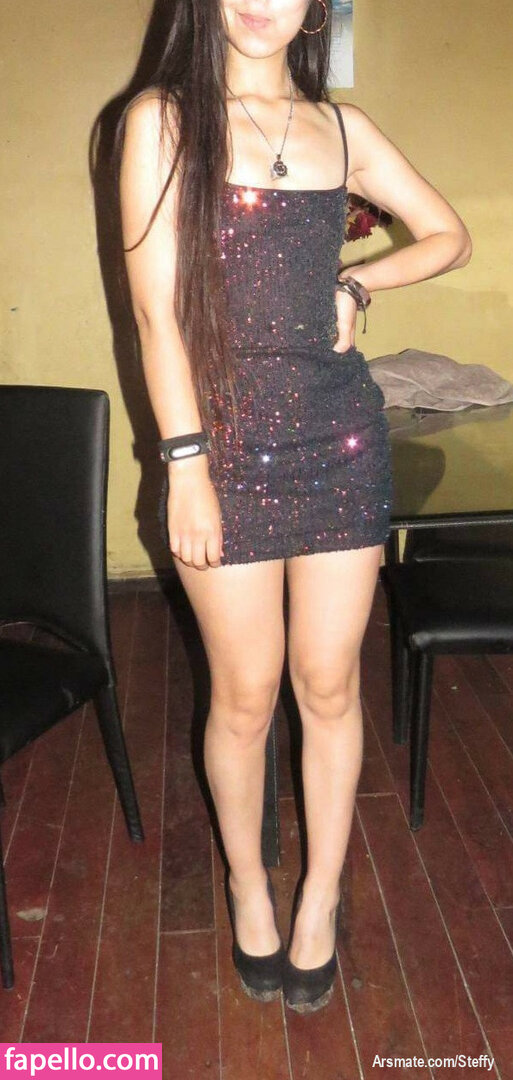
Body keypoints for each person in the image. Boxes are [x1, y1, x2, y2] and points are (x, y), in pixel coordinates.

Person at [117, 0, 472, 1013]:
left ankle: (319, 895)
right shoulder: (162, 120)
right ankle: (247, 884)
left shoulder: (344, 129)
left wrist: (359, 285)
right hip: (220, 450)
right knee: (244, 696)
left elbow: (450, 236)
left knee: (328, 686)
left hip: (341, 446)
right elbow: (155, 314)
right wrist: (186, 464)